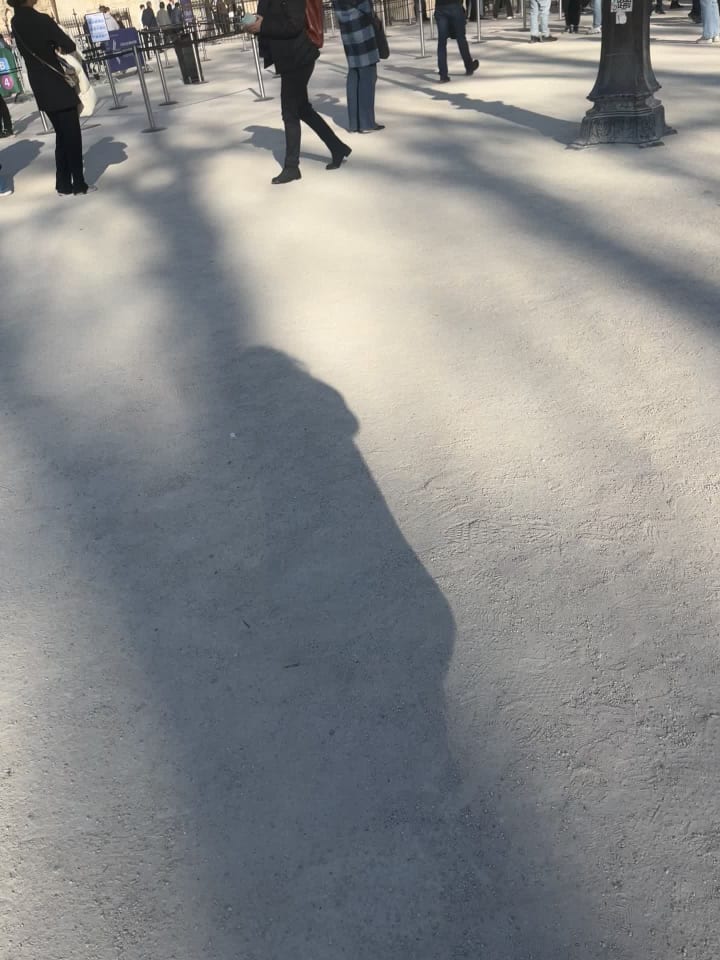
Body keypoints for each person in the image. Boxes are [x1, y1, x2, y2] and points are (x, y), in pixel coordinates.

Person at [243, 0, 351, 185]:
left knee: (290, 112)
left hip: (299, 57)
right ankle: (337, 147)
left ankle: (292, 167)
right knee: (302, 109)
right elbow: (269, 18)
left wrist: (263, 25)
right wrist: (254, 24)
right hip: (287, 58)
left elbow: (294, 24)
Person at [9, 0, 93, 195]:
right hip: (57, 82)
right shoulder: (41, 19)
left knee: (62, 135)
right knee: (72, 135)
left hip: (39, 85)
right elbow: (68, 44)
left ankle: (63, 183)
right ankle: (78, 183)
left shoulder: (15, 23)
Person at [333, 0, 382, 134]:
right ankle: (366, 122)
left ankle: (354, 123)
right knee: (367, 73)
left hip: (346, 28)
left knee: (354, 72)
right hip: (361, 25)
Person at [433, 0, 479, 83]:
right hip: (454, 6)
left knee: (442, 42)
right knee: (461, 38)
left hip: (440, 7)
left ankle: (443, 75)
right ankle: (469, 67)